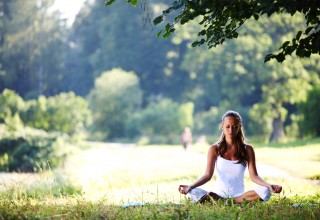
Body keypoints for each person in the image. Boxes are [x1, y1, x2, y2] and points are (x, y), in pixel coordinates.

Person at [178, 110, 282, 204]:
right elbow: (207, 176)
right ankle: (223, 202)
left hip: (240, 197)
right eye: (227, 127)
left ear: (239, 127)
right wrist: (190, 186)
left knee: (265, 191)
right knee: (194, 192)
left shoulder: (248, 149)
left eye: (234, 126)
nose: (231, 130)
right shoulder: (214, 149)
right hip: (217, 196)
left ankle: (230, 202)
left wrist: (269, 185)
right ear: (222, 127)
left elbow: (254, 176)